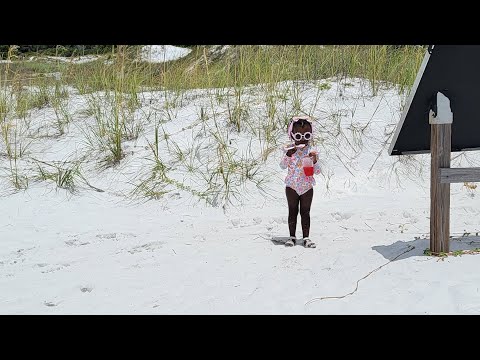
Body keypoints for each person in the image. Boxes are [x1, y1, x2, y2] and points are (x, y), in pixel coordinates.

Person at [279, 116, 321, 248]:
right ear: (291, 135)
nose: (302, 138)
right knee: (292, 211)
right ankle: (292, 237)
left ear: (311, 135)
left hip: (307, 186)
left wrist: (315, 161)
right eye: (298, 135)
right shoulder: (290, 150)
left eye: (306, 134)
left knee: (305, 212)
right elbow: (282, 166)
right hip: (291, 186)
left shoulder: (312, 151)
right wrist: (288, 155)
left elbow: (318, 171)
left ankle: (306, 238)